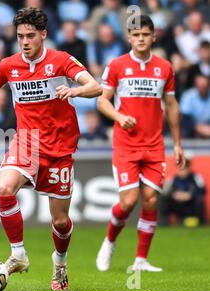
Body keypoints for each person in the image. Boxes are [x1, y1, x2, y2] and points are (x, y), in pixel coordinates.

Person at [0, 7, 102, 291]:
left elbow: (94, 86)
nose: (25, 41)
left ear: (43, 35)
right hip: (27, 141)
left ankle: (60, 262)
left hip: (60, 148)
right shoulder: (9, 65)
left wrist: (74, 91)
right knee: (4, 188)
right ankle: (18, 254)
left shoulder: (61, 61)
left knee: (61, 221)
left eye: (30, 36)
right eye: (20, 36)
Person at [96, 15, 186, 273]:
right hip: (126, 145)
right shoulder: (117, 65)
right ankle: (110, 241)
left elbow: (171, 105)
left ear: (154, 36)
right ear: (129, 38)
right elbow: (102, 101)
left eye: (145, 34)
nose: (141, 39)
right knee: (128, 201)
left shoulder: (165, 68)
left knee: (149, 200)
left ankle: (140, 260)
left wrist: (177, 144)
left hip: (155, 145)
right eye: (136, 35)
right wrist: (119, 116)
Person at [160, 159, 206, 226]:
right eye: (180, 168)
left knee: (200, 200)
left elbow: (203, 191)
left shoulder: (196, 177)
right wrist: (174, 195)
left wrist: (190, 195)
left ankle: (200, 222)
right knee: (163, 199)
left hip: (191, 206)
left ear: (189, 168)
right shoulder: (172, 179)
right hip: (178, 205)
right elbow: (165, 192)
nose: (182, 171)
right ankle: (164, 222)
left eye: (184, 168)